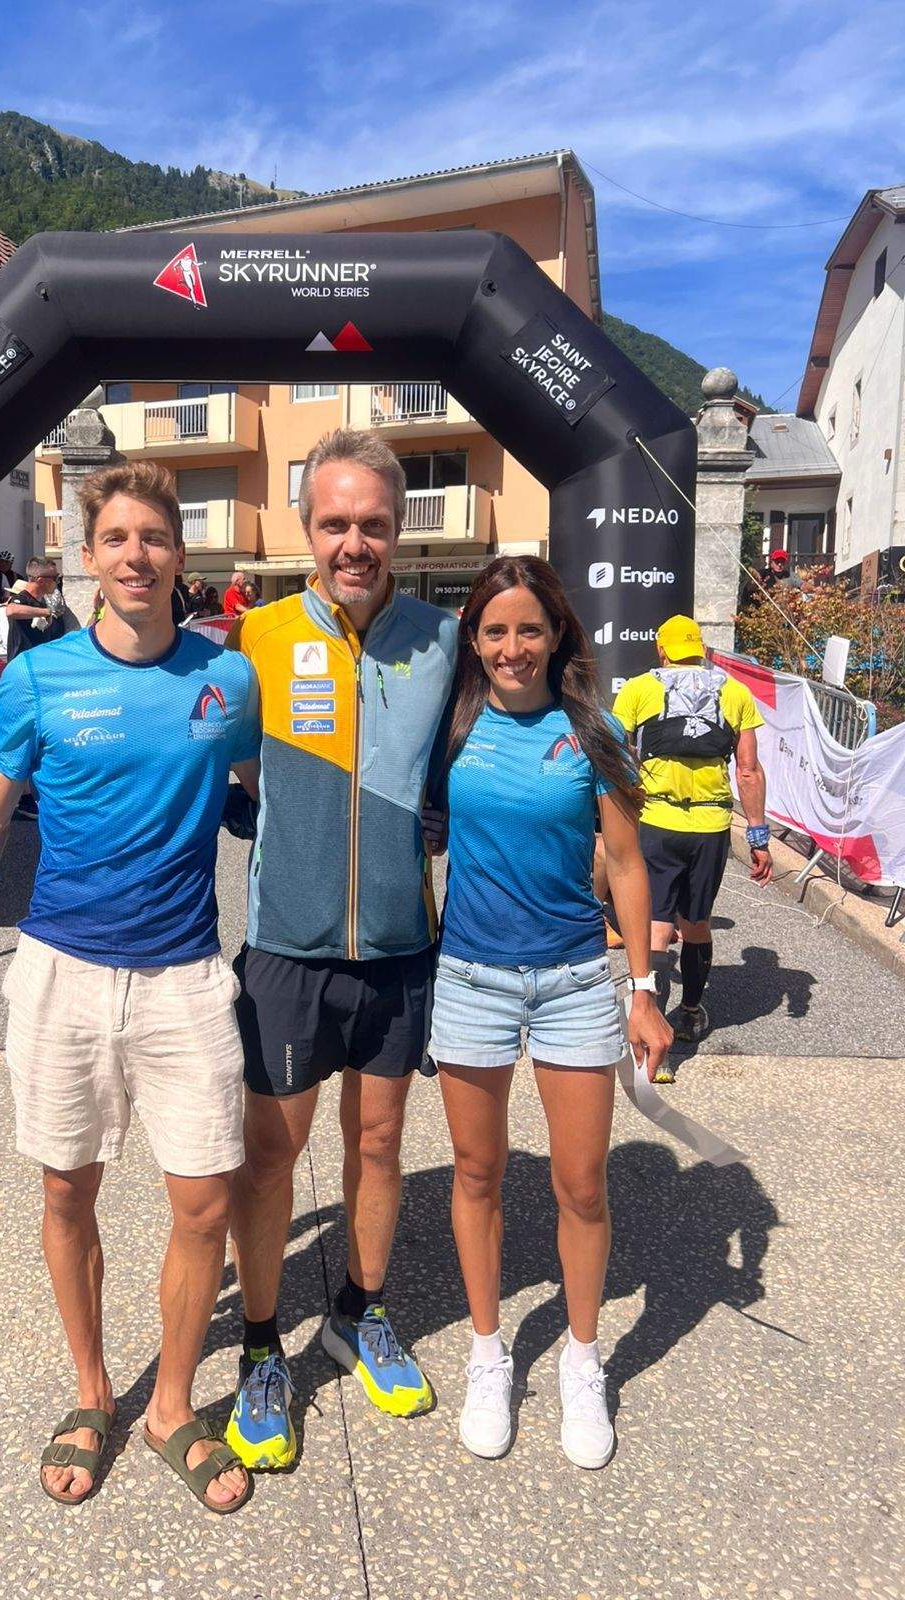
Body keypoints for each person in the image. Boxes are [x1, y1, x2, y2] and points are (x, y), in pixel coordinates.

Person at [0, 461, 261, 1514]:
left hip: (185, 975)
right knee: (68, 1187)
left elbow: (256, 793)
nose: (137, 555)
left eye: (155, 537)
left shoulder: (225, 680)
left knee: (203, 1197)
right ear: (90, 557)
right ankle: (95, 1390)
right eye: (117, 538)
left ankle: (172, 1406)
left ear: (179, 558)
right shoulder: (40, 678)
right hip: (59, 971)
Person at [222, 429, 458, 1470]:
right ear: (306, 530)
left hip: (401, 949)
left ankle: (360, 1311)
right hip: (287, 946)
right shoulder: (259, 639)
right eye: (334, 522)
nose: (353, 541)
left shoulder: (444, 640)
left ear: (397, 528)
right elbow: (207, 777)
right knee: (271, 1154)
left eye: (372, 522)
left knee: (377, 1146)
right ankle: (262, 1345)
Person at [427, 554, 671, 1468]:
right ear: (474, 639)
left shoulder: (592, 729)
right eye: (495, 631)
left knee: (581, 1185)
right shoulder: (450, 728)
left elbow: (632, 864)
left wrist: (643, 989)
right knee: (477, 1175)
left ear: (559, 633)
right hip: (471, 979)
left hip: (573, 981)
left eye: (530, 629)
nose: (513, 647)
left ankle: (581, 1360)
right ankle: (489, 1356)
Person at [612, 615, 772, 1063]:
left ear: (662, 650)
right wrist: (759, 837)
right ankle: (691, 1010)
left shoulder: (639, 689)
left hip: (657, 820)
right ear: (700, 649)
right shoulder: (735, 691)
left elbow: (617, 750)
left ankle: (650, 1025)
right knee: (695, 923)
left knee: (657, 927)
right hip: (710, 827)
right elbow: (748, 769)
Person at [5, 557, 65, 662]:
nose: (57, 582)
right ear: (40, 581)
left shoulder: (43, 602)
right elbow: (11, 610)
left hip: (40, 664)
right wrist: (45, 612)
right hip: (23, 666)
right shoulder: (22, 598)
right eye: (55, 578)